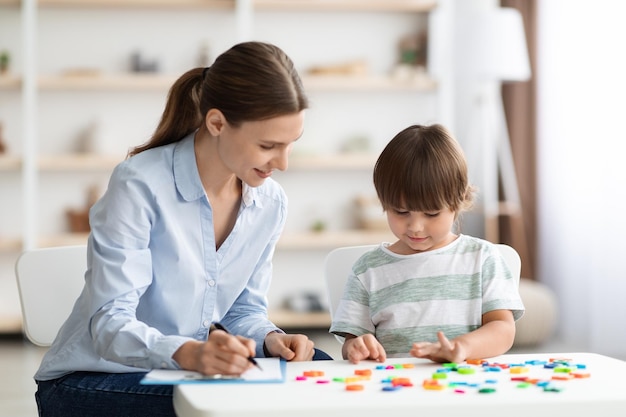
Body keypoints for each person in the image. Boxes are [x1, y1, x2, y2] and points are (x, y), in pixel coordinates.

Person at [34, 41, 332, 417]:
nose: (283, 163)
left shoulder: (269, 203)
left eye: (291, 145)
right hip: (92, 379)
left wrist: (271, 339)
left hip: (186, 372)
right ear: (217, 123)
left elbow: (243, 310)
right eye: (268, 145)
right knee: (235, 404)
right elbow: (110, 323)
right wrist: (190, 353)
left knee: (319, 369)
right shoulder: (139, 184)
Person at [330, 124, 524, 365]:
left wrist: (461, 347)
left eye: (431, 213)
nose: (415, 227)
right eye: (401, 211)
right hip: (392, 390)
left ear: (459, 201)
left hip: (464, 388)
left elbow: (503, 330)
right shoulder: (367, 270)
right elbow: (351, 341)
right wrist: (355, 346)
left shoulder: (482, 258)